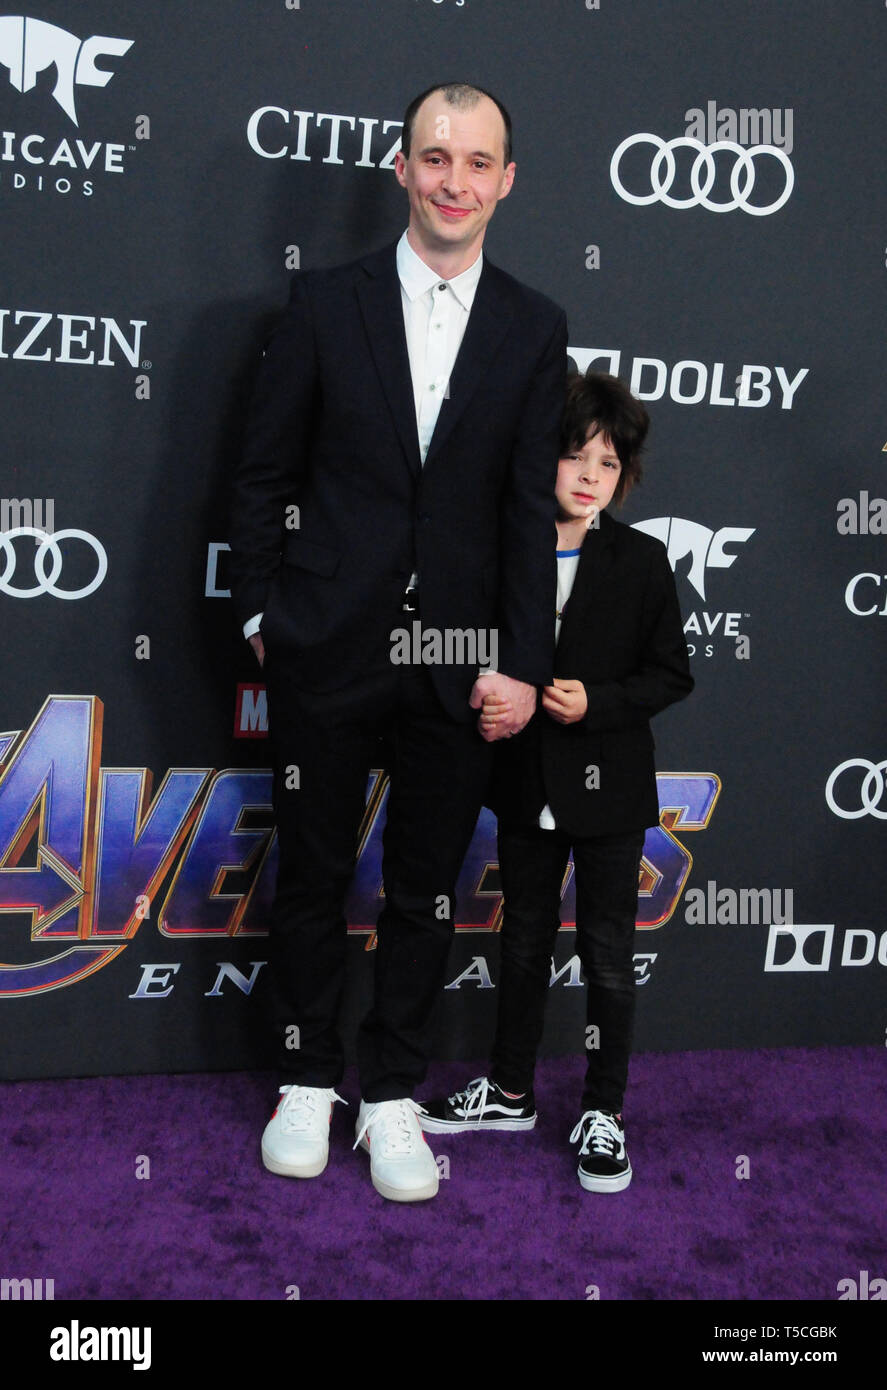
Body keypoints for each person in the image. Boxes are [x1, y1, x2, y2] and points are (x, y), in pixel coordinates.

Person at [228, 82, 567, 1202]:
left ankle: (390, 1097)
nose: (455, 182)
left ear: (506, 180)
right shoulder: (324, 304)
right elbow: (264, 475)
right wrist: (262, 612)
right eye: (435, 158)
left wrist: (520, 657)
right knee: (315, 870)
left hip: (462, 652)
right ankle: (305, 1079)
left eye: (477, 163)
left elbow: (528, 509)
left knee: (424, 886)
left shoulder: (534, 325)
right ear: (400, 168)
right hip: (327, 636)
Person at [420, 371, 694, 1192]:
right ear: (542, 458)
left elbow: (671, 675)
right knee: (522, 942)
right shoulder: (505, 556)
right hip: (523, 782)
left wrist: (598, 702)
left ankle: (603, 1110)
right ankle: (509, 1092)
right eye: (573, 455)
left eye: (606, 464)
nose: (587, 475)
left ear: (624, 477)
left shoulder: (642, 560)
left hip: (609, 792)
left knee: (608, 956)